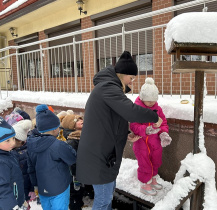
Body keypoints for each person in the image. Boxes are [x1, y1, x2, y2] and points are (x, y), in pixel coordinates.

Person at [76, 51, 163, 210]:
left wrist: (127, 134)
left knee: (106, 199)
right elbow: (130, 110)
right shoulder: (108, 87)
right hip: (99, 157)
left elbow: (111, 120)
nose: (132, 82)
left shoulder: (108, 88)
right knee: (103, 201)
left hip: (103, 154)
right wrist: (154, 116)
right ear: (122, 75)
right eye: (131, 78)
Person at [27, 104, 77, 210]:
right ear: (55, 129)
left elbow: (30, 168)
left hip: (42, 188)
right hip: (60, 188)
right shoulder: (58, 145)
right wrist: (66, 145)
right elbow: (72, 158)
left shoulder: (31, 144)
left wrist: (35, 185)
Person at [130, 78, 172, 196]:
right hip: (141, 143)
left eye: (153, 100)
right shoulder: (137, 109)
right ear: (142, 98)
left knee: (156, 161)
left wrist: (163, 133)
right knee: (145, 164)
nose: (151, 103)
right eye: (149, 101)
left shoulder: (157, 109)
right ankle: (145, 184)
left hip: (155, 143)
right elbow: (133, 125)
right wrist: (146, 130)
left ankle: (153, 180)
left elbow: (163, 122)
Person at [60, 113, 85, 210]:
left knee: (78, 193)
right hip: (74, 174)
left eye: (81, 119)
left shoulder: (79, 136)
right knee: (75, 194)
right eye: (77, 120)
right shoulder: (72, 139)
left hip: (79, 171)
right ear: (71, 125)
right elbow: (72, 160)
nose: (81, 121)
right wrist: (75, 176)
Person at [0, 117, 26, 210]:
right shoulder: (1, 162)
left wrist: (21, 200)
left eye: (13, 138)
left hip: (15, 200)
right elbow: (2, 189)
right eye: (7, 140)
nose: (13, 143)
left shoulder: (8, 153)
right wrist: (12, 206)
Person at [10, 120, 34, 208]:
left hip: (22, 188)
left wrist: (31, 189)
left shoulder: (26, 152)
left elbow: (30, 171)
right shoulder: (7, 151)